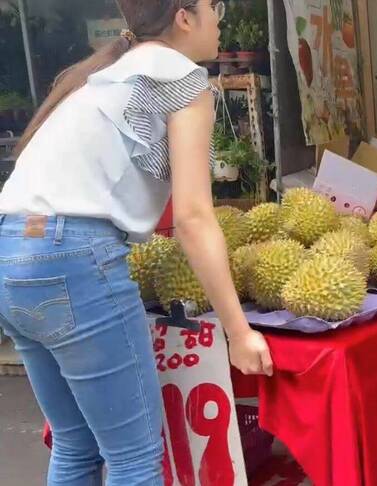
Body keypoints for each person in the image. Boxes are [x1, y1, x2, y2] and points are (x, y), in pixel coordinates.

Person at [0, 2, 272, 484]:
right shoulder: (182, 79)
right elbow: (192, 216)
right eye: (214, 6)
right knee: (133, 458)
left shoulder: (104, 76)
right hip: (75, 258)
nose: (220, 17)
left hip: (11, 252)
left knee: (75, 443)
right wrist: (238, 332)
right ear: (185, 17)